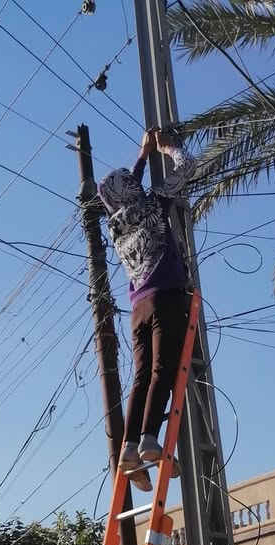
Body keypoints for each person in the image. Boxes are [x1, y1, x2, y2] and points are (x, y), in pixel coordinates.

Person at [97, 127, 196, 493]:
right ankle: (150, 439)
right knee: (162, 371)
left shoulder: (116, 224)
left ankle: (129, 448)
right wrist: (169, 149)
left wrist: (142, 157)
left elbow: (128, 189)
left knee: (141, 376)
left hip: (137, 307)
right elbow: (188, 168)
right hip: (165, 297)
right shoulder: (153, 205)